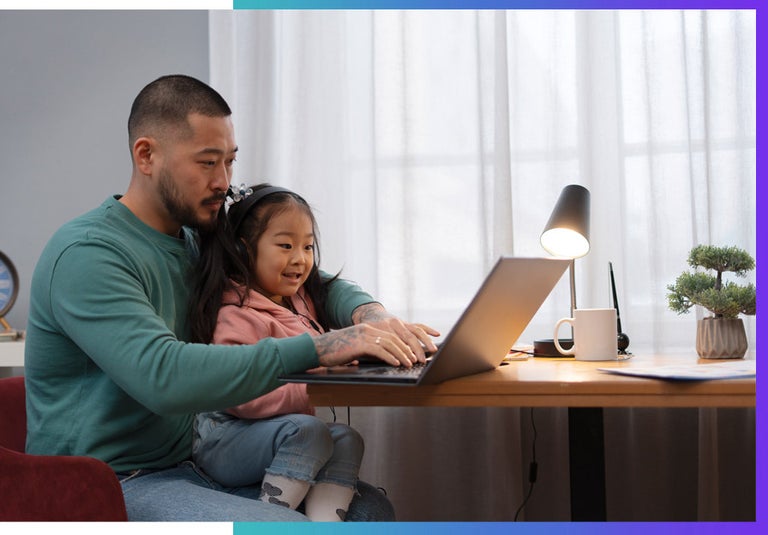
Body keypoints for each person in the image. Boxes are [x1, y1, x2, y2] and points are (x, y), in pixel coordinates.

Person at [24, 74, 438, 522]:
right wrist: (323, 347)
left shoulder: (199, 239)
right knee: (287, 526)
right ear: (146, 155)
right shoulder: (89, 254)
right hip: (112, 481)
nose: (223, 182)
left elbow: (312, 282)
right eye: (207, 163)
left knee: (371, 509)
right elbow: (164, 377)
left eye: (229, 162)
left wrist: (371, 317)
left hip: (195, 462)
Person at [189, 183, 386, 522]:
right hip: (224, 441)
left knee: (347, 438)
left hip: (280, 435)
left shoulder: (300, 301)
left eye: (308, 246)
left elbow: (328, 326)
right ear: (243, 249)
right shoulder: (235, 312)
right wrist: (320, 375)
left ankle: (327, 525)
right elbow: (244, 398)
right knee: (309, 431)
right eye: (285, 245)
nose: (300, 258)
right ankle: (272, 516)